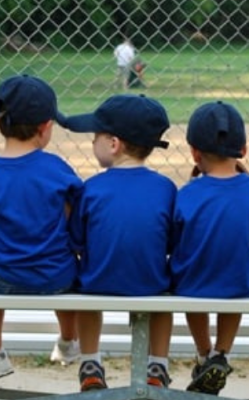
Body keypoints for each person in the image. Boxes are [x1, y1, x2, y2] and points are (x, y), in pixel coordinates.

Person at [0, 75, 82, 384]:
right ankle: (69, 341)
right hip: (55, 277)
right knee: (71, 267)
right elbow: (75, 219)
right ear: (45, 128)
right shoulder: (58, 169)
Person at [59, 94, 175, 392]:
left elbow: (77, 240)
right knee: (163, 302)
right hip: (151, 284)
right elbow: (172, 242)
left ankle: (91, 363)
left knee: (86, 291)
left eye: (96, 135)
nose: (91, 141)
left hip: (98, 283)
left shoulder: (91, 188)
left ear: (114, 144)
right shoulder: (165, 188)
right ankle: (157, 366)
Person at [170, 101, 249, 395]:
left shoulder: (187, 193)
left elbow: (172, 244)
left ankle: (204, 353)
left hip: (191, 285)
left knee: (189, 279)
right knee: (237, 278)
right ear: (243, 150)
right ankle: (221, 353)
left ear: (195, 153)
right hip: (238, 284)